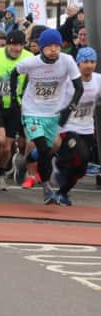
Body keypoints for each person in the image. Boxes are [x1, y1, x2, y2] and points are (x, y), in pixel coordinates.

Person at [10, 28, 83, 204]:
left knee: (50, 150)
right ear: (41, 48)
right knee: (43, 149)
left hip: (53, 113)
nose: (53, 50)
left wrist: (69, 108)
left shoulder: (67, 61)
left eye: (57, 46)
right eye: (49, 46)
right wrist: (14, 97)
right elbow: (14, 73)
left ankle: (26, 160)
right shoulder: (31, 63)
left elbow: (79, 87)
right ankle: (46, 188)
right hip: (32, 111)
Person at [0, 30, 32, 189]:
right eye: (13, 45)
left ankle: (1, 173)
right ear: (7, 44)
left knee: (7, 146)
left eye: (20, 45)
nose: (17, 49)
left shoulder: (29, 58)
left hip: (15, 105)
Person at [53, 47, 101, 205]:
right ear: (78, 63)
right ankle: (56, 161)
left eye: (92, 62)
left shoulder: (97, 80)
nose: (89, 65)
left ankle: (62, 192)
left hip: (87, 128)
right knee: (82, 155)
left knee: (81, 170)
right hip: (68, 127)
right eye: (85, 62)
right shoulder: (69, 81)